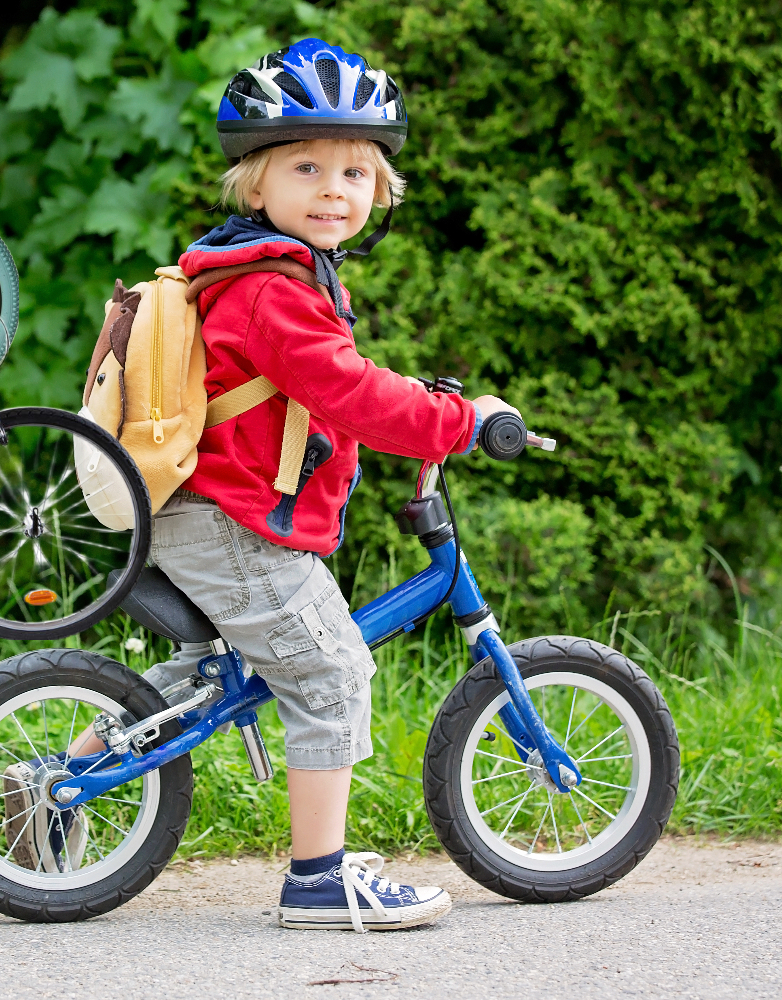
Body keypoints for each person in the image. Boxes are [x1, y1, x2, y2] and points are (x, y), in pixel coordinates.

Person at [153, 38, 517, 932]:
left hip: (209, 513)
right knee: (330, 671)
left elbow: (326, 380)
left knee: (200, 682)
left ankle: (48, 786)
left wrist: (418, 400)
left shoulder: (267, 273)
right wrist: (456, 422)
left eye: (356, 171)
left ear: (379, 192)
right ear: (255, 184)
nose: (333, 189)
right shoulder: (274, 288)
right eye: (306, 165)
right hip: (233, 523)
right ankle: (318, 880)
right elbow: (347, 389)